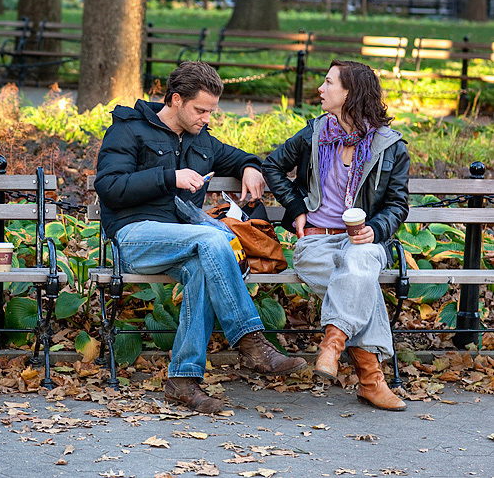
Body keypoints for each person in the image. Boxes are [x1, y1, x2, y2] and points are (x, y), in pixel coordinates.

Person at [95, 61, 306, 414]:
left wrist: (250, 167)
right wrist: (170, 177)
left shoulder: (201, 139)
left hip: (183, 241)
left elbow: (238, 157)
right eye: (201, 109)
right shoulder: (128, 129)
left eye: (211, 111)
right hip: (134, 236)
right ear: (176, 100)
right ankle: (252, 343)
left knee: (203, 270)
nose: (206, 117)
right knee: (213, 241)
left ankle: (182, 381)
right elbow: (109, 186)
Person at [262, 60, 409, 412]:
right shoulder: (315, 134)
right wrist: (297, 209)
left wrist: (377, 228)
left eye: (328, 83)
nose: (320, 89)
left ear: (350, 93)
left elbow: (397, 205)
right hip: (316, 241)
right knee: (361, 283)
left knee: (357, 263)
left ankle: (333, 342)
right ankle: (371, 380)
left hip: (362, 242)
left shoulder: (389, 146)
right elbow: (272, 166)